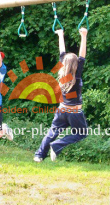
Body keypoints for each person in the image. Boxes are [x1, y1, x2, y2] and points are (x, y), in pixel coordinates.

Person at [34, 27, 88, 161]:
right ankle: (57, 145)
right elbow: (82, 55)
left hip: (62, 110)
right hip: (74, 112)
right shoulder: (77, 76)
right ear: (76, 66)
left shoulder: (62, 72)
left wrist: (60, 35)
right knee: (82, 133)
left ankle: (39, 155)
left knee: (52, 132)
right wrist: (84, 36)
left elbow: (62, 52)